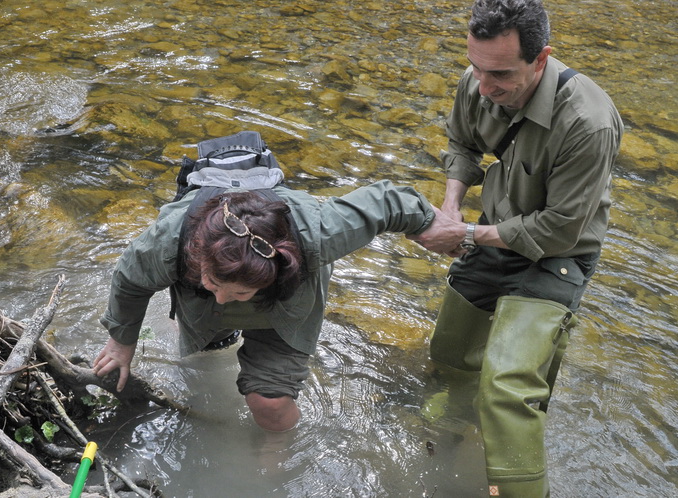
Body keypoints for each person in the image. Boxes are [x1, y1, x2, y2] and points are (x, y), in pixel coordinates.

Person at [409, 0, 623, 496]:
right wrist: (451, 208)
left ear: (542, 58)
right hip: (494, 232)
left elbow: (558, 230)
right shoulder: (477, 79)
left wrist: (462, 237)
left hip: (560, 254)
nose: (484, 87)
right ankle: (439, 449)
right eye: (477, 69)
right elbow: (463, 145)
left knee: (507, 388)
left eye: (501, 74)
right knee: (451, 352)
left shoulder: (589, 122)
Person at [93, 162, 438, 432]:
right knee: (204, 354)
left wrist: (436, 226)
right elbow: (130, 280)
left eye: (241, 292)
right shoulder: (170, 242)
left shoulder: (317, 232)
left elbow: (390, 202)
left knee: (270, 403)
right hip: (199, 299)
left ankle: (276, 453)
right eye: (213, 284)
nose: (225, 298)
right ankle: (208, 317)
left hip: (287, 308)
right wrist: (123, 342)